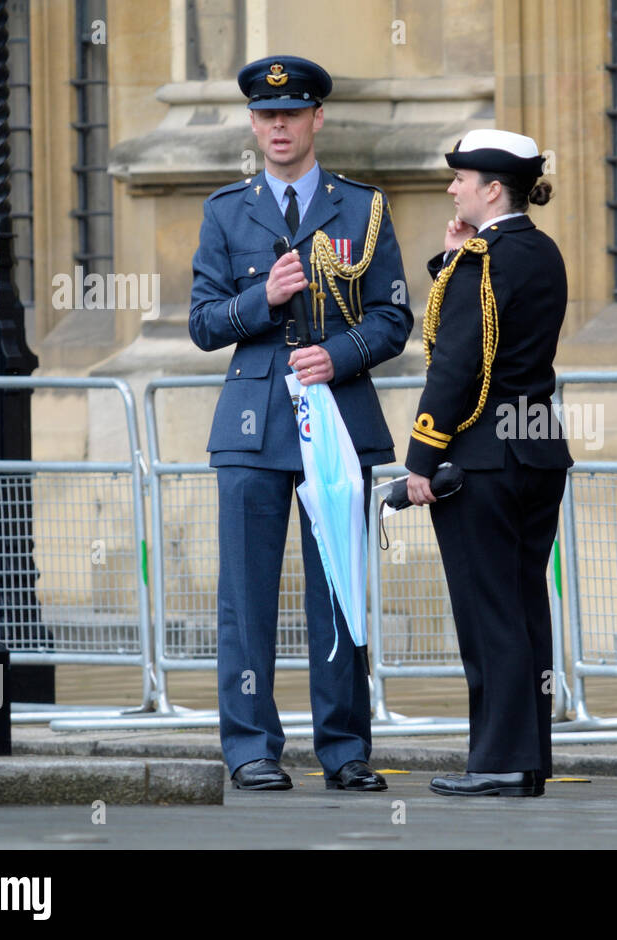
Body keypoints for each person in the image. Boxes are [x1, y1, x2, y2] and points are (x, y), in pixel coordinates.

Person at [188, 56, 412, 791]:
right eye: (266, 115)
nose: (278, 126)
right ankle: (251, 746)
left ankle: (344, 750)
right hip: (253, 424)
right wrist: (263, 301)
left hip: (338, 420)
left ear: (317, 119)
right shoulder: (227, 210)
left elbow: (393, 317)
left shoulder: (362, 208)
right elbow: (202, 323)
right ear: (253, 124)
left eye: (292, 114)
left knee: (339, 590)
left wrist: (338, 355)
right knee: (246, 598)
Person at [404, 130, 571, 797]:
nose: (453, 189)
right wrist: (452, 264)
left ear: (492, 189)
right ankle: (526, 757)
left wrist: (422, 454)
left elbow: (456, 363)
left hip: (482, 455)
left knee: (488, 612)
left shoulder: (483, 259)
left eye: (462, 180)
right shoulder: (540, 251)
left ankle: (500, 760)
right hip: (535, 448)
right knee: (524, 607)